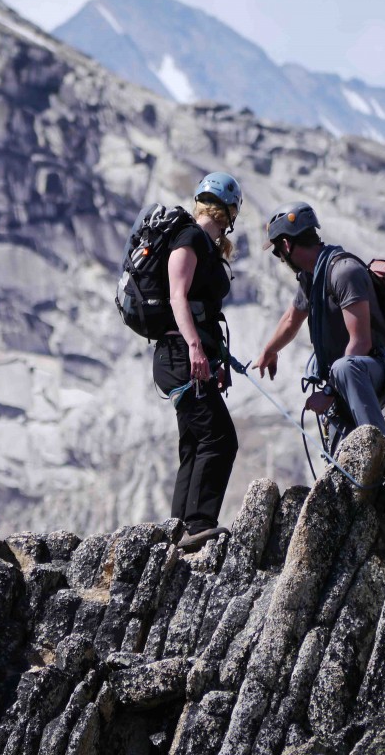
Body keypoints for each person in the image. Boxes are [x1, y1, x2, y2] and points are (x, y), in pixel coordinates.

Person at [254, 201, 385, 464]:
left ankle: (381, 448)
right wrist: (269, 351)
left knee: (345, 368)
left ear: (287, 245)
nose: (280, 258)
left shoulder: (344, 272)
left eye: (278, 252)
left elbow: (361, 341)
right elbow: (291, 319)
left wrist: (329, 392)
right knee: (341, 464)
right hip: (343, 380)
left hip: (370, 369)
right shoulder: (313, 277)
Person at [152, 172, 242, 552]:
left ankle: (178, 531)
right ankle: (198, 522)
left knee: (195, 441)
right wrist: (194, 348)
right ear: (230, 211)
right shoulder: (189, 238)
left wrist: (210, 354)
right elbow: (177, 296)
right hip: (179, 355)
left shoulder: (204, 243)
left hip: (183, 355)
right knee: (219, 438)